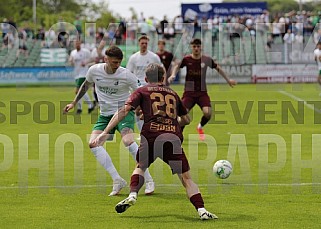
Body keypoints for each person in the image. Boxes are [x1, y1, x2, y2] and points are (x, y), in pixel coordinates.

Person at [92, 63, 217, 220]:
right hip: (172, 137)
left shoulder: (142, 90)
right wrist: (172, 123)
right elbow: (186, 119)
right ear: (163, 78)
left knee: (140, 167)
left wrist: (105, 132)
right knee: (186, 178)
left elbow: (124, 110)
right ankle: (202, 210)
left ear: (145, 78)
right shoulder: (172, 94)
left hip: (151, 136)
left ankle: (132, 195)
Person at [64, 46, 155, 196]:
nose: (117, 65)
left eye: (119, 62)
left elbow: (142, 91)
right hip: (105, 115)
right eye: (114, 62)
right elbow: (85, 85)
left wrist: (143, 110)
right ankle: (117, 180)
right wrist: (74, 103)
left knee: (128, 141)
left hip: (124, 113)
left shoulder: (126, 75)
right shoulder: (94, 70)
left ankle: (149, 179)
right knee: (93, 144)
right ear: (106, 59)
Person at [168, 38, 236, 141]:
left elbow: (218, 68)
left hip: (202, 93)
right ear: (191, 47)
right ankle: (178, 133)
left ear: (201, 47)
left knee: (208, 113)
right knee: (183, 116)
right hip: (189, 94)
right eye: (194, 46)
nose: (196, 48)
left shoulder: (206, 59)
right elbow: (177, 66)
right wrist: (173, 74)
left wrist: (228, 80)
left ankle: (200, 127)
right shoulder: (187, 59)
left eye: (198, 46)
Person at [126, 34, 162, 131]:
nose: (144, 45)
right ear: (139, 44)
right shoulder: (134, 58)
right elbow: (128, 73)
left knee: (152, 111)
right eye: (142, 43)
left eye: (146, 43)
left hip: (151, 88)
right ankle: (142, 132)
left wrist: (161, 83)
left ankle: (152, 130)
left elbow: (161, 70)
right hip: (137, 88)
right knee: (137, 110)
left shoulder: (154, 57)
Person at [69, 40, 94, 114]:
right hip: (76, 74)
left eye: (78, 43)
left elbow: (92, 59)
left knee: (77, 90)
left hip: (84, 73)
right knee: (80, 91)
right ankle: (84, 107)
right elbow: (70, 61)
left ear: (80, 44)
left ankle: (87, 106)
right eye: (75, 43)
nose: (77, 45)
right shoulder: (73, 52)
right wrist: (71, 61)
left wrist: (86, 62)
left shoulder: (85, 51)